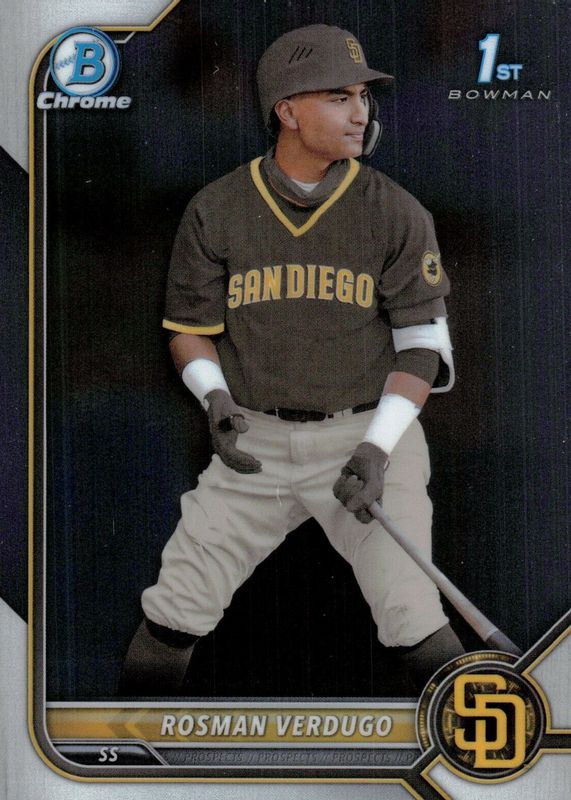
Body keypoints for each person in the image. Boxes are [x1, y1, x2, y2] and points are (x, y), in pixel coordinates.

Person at [120, 23, 464, 696]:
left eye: (363, 95)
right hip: (255, 440)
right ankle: (125, 749)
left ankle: (482, 746)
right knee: (174, 611)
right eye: (338, 96)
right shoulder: (217, 207)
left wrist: (377, 448)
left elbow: (423, 347)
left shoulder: (395, 210)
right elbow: (190, 331)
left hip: (365, 433)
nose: (360, 112)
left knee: (412, 615)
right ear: (287, 110)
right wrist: (213, 396)